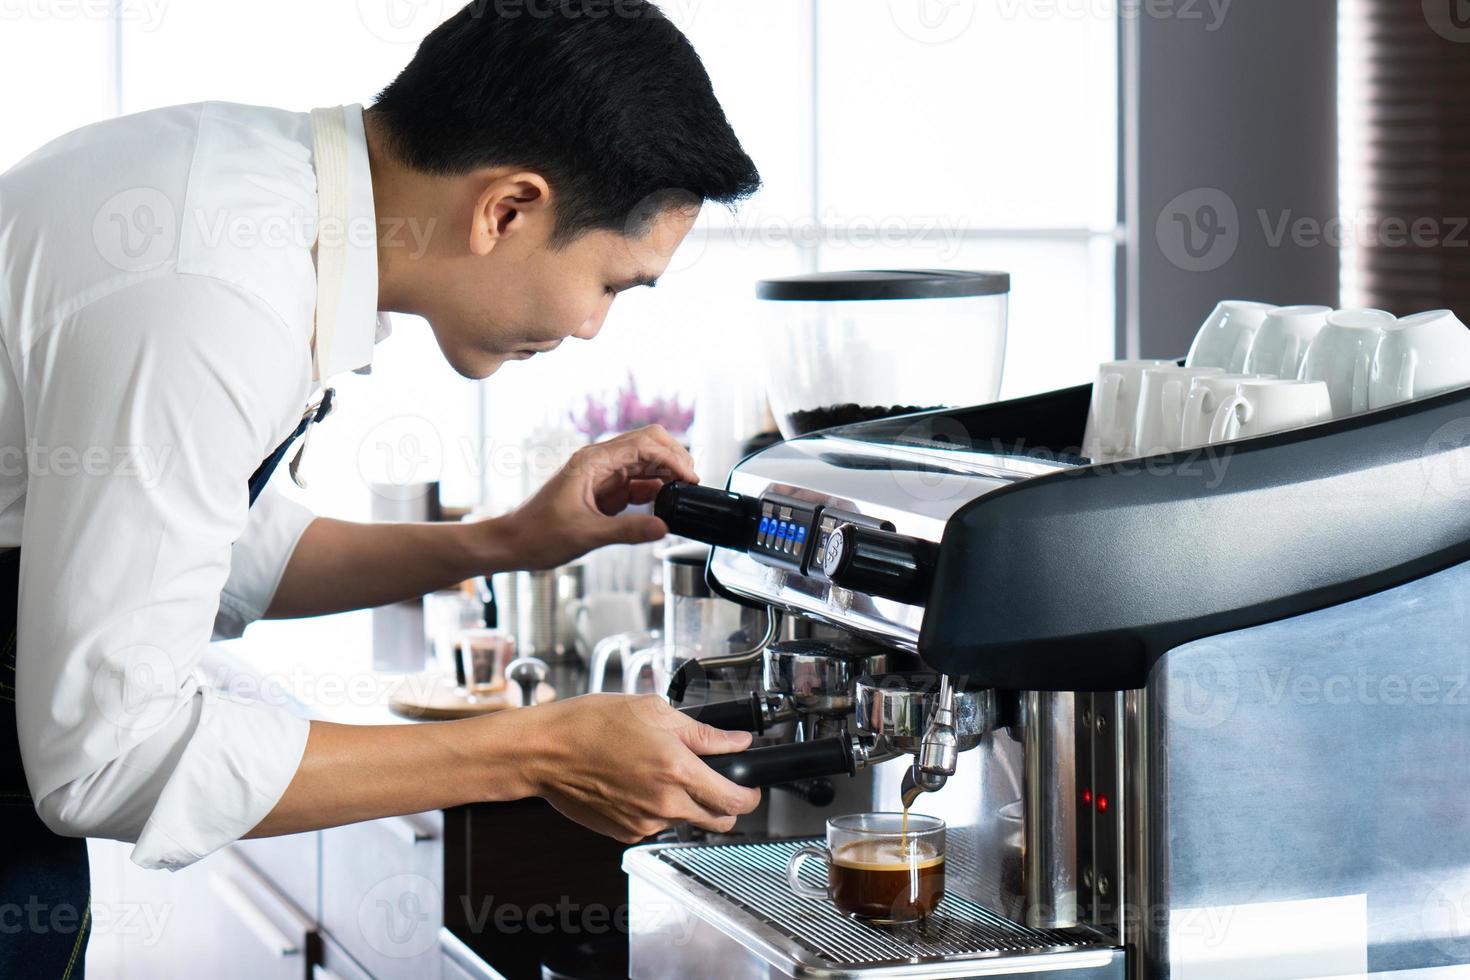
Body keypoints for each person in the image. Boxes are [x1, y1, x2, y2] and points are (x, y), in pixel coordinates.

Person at [0, 2, 763, 973]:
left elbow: (211, 543)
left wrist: (506, 540)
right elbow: (111, 755)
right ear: (508, 209)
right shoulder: (215, 289)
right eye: (613, 283)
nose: (591, 330)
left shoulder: (252, 197)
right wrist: (533, 749)